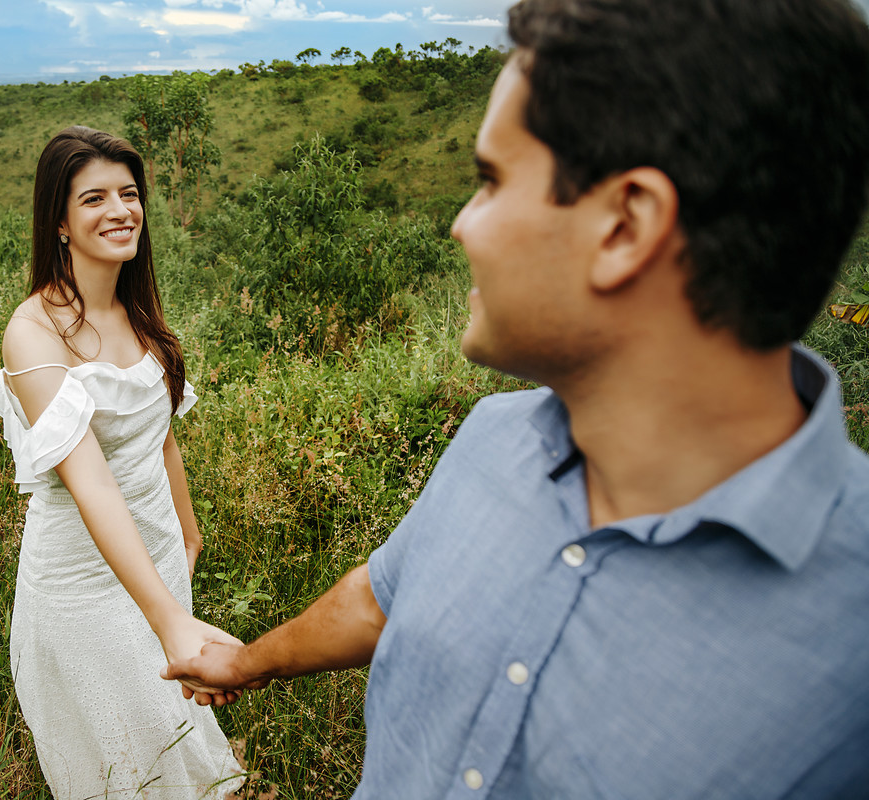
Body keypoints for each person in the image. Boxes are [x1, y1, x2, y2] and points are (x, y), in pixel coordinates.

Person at [162, 0, 869, 797]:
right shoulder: (495, 436)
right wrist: (248, 664)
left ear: (625, 226)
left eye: (491, 181)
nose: (461, 225)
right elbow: (382, 598)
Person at [0, 126, 244, 799]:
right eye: (94, 198)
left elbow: (160, 435)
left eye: (129, 194)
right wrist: (169, 620)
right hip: (81, 585)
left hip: (155, 556)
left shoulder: (137, 311)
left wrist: (188, 534)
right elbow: (93, 484)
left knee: (174, 734)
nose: (121, 210)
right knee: (127, 761)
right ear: (60, 222)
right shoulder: (33, 334)